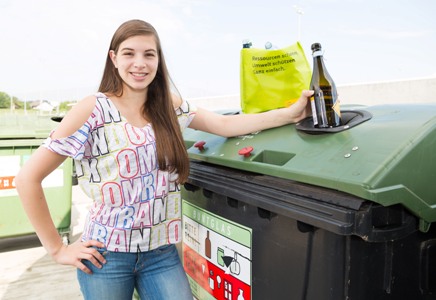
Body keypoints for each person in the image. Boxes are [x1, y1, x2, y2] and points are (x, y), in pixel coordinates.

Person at [15, 19, 313, 300]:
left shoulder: (168, 105)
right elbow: (28, 179)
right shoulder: (92, 109)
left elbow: (224, 126)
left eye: (149, 54)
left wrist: (289, 114)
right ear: (114, 58)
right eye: (129, 53)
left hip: (161, 254)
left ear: (158, 61)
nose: (140, 63)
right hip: (106, 256)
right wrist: (57, 249)